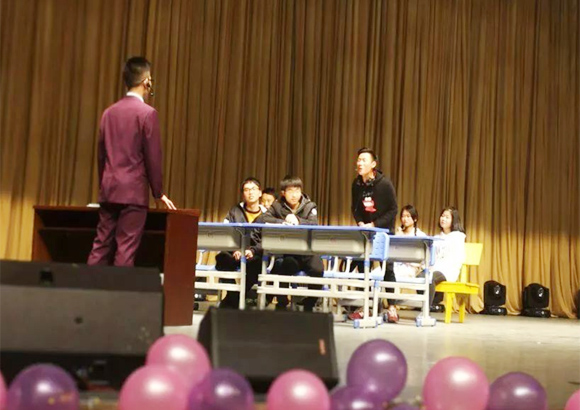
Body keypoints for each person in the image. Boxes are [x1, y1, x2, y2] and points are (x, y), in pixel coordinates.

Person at [88, 57, 175, 267]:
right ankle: (119, 290)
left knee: (101, 246)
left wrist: (104, 183)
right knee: (125, 249)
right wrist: (158, 192)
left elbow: (101, 155)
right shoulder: (147, 114)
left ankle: (86, 286)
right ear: (147, 82)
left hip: (109, 189)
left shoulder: (108, 113)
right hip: (133, 192)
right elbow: (153, 157)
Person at [350, 147, 399, 322]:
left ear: (373, 164)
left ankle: (392, 307)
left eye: (364, 160)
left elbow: (393, 210)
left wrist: (375, 224)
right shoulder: (357, 184)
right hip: (366, 231)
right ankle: (365, 305)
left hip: (384, 230)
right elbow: (355, 208)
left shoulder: (384, 184)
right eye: (358, 160)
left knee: (388, 268)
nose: (359, 163)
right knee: (362, 265)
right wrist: (360, 223)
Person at [261, 175, 323, 312]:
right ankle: (282, 302)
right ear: (283, 193)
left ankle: (310, 302)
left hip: (308, 251)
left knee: (318, 269)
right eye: (290, 191)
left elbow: (314, 224)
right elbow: (264, 218)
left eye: (297, 190)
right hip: (288, 251)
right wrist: (283, 222)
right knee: (282, 266)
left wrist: (298, 220)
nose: (294, 195)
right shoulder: (277, 205)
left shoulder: (310, 206)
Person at [216, 177, 267, 308]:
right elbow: (226, 233)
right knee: (221, 258)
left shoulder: (267, 215)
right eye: (246, 190)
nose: (250, 192)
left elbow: (267, 239)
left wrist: (253, 250)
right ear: (243, 193)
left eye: (253, 189)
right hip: (236, 251)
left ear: (260, 193)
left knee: (257, 264)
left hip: (254, 254)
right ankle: (234, 296)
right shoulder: (234, 211)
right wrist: (235, 249)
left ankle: (235, 298)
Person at [418, 206, 466, 310]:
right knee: (420, 277)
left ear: (453, 220)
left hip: (448, 269)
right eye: (442, 216)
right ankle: (429, 303)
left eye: (447, 217)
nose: (443, 219)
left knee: (430, 278)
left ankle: (425, 310)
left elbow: (457, 258)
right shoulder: (437, 237)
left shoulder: (458, 237)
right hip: (434, 267)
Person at [394, 205, 427, 282]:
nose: (405, 219)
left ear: (415, 219)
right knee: (377, 272)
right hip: (396, 265)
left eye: (408, 216)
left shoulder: (420, 235)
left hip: (411, 268)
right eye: (403, 216)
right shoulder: (398, 233)